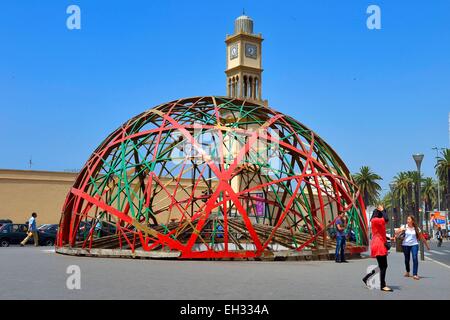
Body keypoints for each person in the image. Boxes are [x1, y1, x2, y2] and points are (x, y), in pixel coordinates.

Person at [362, 205, 393, 292]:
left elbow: (380, 232)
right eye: (382, 213)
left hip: (379, 242)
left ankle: (367, 278)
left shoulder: (376, 220)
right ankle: (383, 285)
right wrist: (383, 210)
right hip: (379, 244)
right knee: (384, 266)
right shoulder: (376, 220)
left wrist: (388, 238)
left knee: (381, 266)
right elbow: (386, 219)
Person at [396, 215, 430, 280]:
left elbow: (422, 237)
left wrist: (427, 246)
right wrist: (401, 230)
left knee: (415, 258)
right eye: (407, 219)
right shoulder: (404, 226)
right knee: (407, 259)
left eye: (409, 219)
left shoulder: (416, 228)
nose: (407, 220)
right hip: (405, 245)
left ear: (412, 221)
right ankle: (407, 272)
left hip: (414, 244)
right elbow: (396, 232)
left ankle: (415, 274)